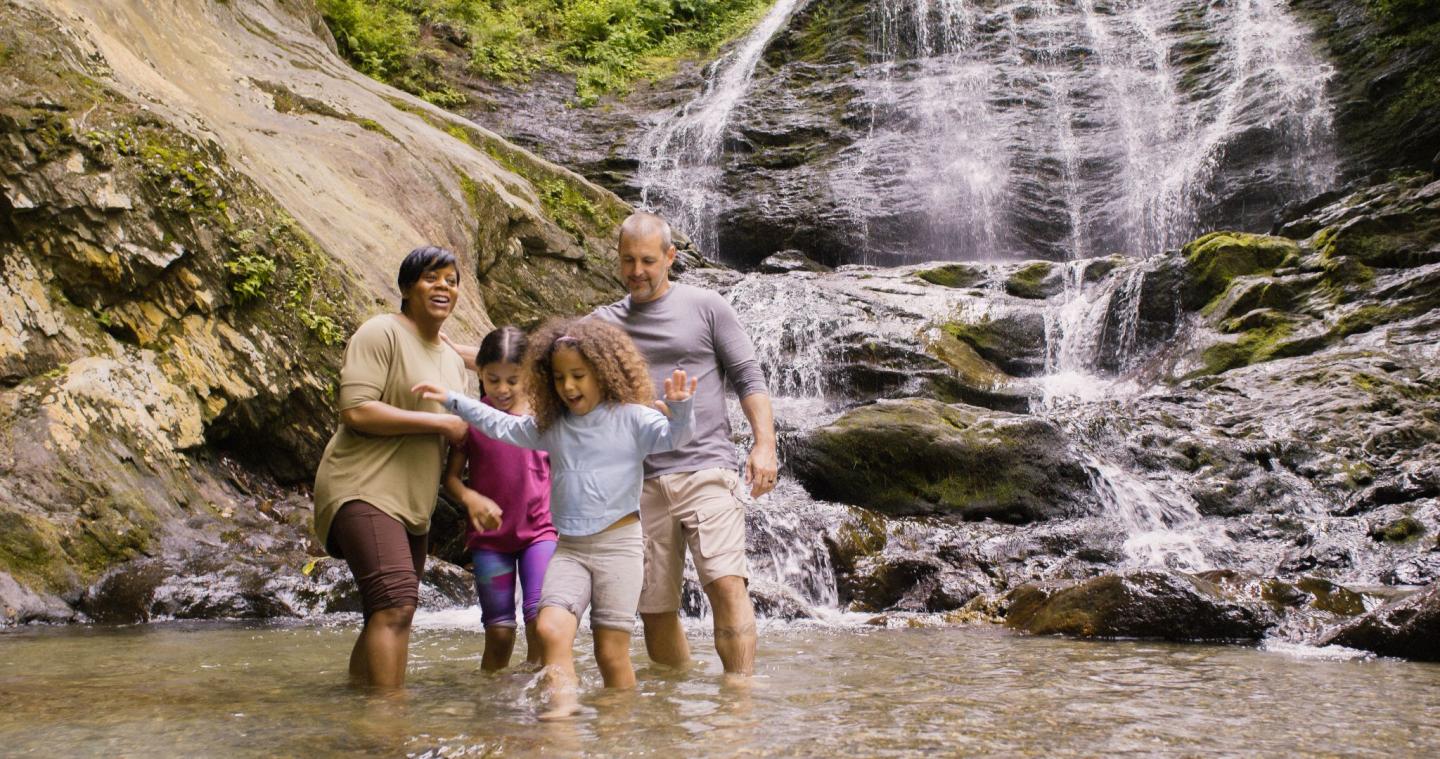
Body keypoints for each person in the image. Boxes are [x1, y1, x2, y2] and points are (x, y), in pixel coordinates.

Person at [414, 317, 696, 718]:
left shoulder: (634, 418)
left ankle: (618, 736)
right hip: (571, 549)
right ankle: (560, 723)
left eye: (578, 376)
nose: (567, 386)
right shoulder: (553, 427)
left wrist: (682, 411)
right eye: (560, 377)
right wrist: (453, 399)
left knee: (610, 653)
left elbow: (674, 438)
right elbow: (502, 425)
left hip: (620, 547)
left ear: (605, 372)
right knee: (549, 630)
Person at [592, 211, 777, 679]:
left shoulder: (707, 306)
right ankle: (675, 710)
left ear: (670, 258)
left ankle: (737, 703)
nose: (637, 271)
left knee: (726, 584)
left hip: (707, 469)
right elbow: (537, 357)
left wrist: (764, 445)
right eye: (628, 260)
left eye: (648, 260)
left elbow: (748, 377)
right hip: (639, 481)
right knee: (654, 608)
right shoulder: (602, 323)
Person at [312, 245, 495, 691]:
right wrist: (439, 422)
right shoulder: (381, 333)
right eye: (433, 278)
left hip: (413, 504)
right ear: (407, 287)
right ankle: (387, 723)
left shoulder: (453, 361)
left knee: (391, 610)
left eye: (452, 282)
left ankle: (360, 702)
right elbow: (355, 410)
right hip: (362, 486)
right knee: (395, 604)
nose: (444, 288)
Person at [442, 326, 557, 672]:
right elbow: (450, 479)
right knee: (500, 633)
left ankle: (538, 696)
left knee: (541, 622)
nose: (503, 389)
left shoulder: (545, 417)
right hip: (490, 541)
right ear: (479, 373)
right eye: (494, 380)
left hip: (541, 531)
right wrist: (471, 498)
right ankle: (493, 708)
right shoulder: (474, 418)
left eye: (513, 380)